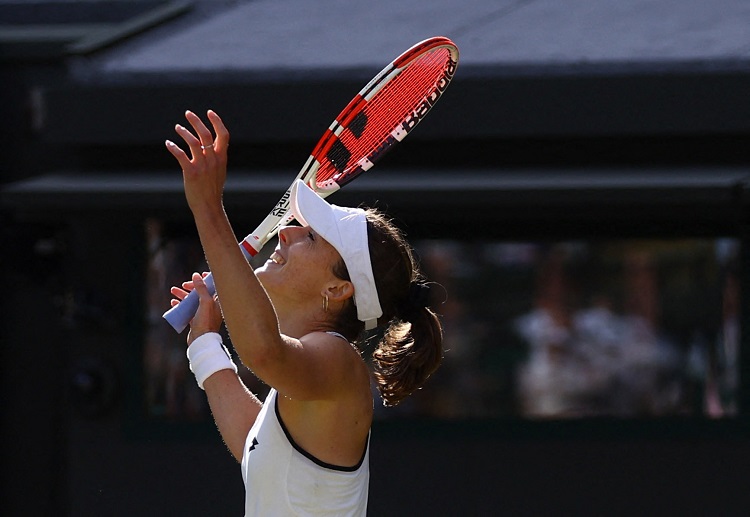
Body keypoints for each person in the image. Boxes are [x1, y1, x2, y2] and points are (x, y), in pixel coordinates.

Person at [165, 110, 444, 516]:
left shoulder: (339, 361)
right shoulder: (306, 377)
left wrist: (208, 209)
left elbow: (262, 350)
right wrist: (205, 343)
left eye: (310, 237)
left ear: (338, 289)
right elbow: (255, 447)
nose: (287, 231)